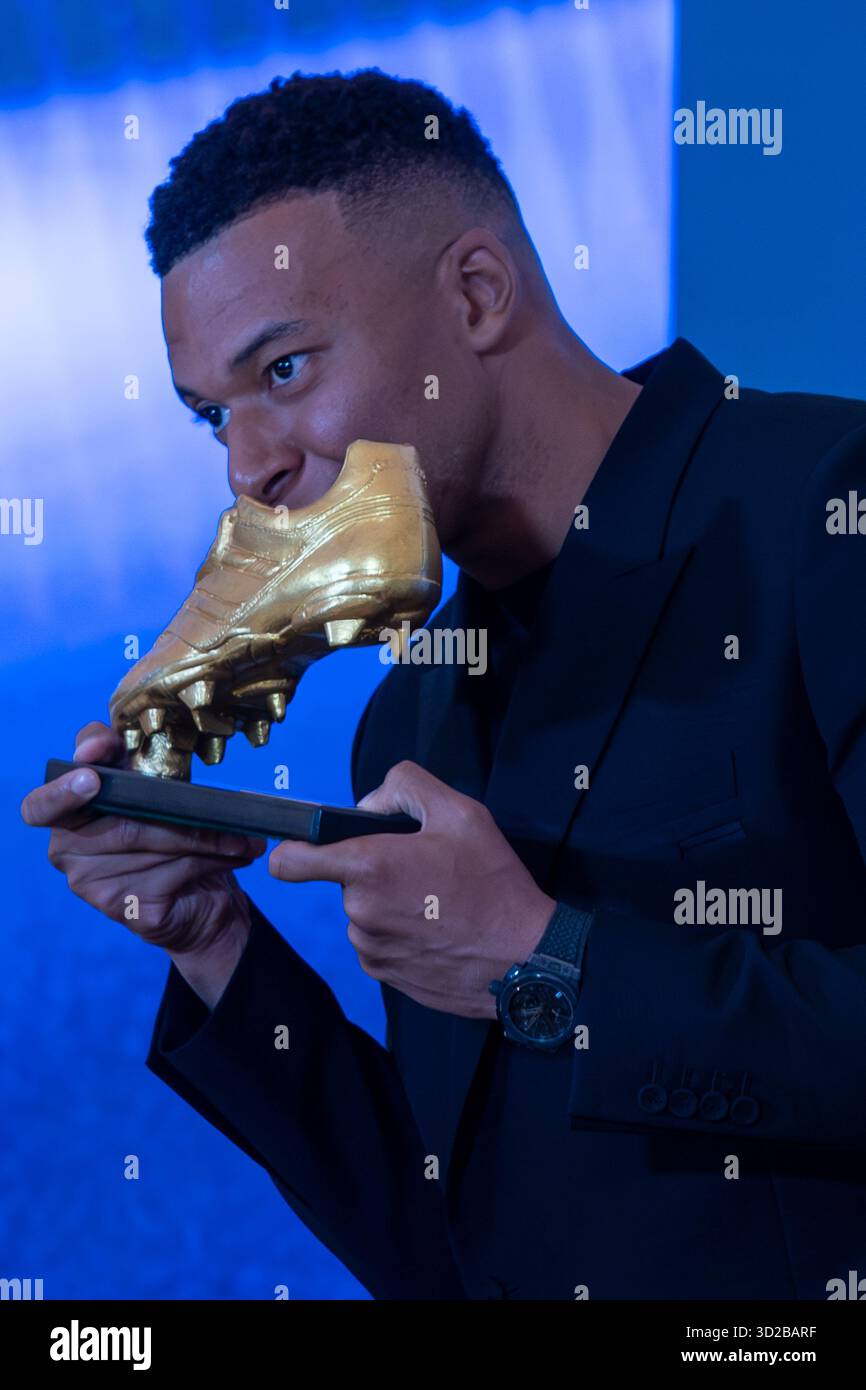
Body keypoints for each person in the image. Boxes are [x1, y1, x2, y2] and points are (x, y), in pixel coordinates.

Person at [21, 69, 866, 1301]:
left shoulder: (821, 508)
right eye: (212, 414)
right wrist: (212, 947)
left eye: (287, 370)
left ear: (475, 293)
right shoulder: (405, 722)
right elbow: (455, 1255)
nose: (248, 462)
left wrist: (545, 961)